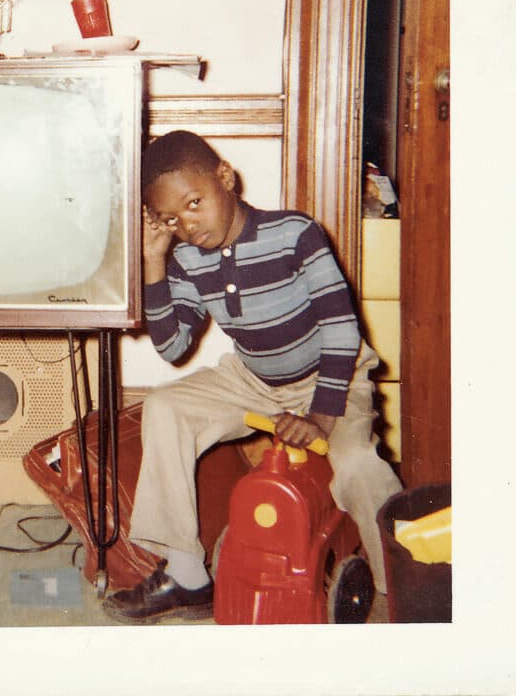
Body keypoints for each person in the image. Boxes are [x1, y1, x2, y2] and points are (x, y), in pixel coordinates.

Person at [103, 130, 402, 624]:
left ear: (226, 178)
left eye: (195, 203)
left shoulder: (294, 234)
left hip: (334, 376)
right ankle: (187, 576)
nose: (189, 225)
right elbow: (172, 348)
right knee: (165, 406)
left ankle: (401, 584)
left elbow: (341, 328)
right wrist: (154, 262)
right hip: (254, 379)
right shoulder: (185, 260)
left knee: (357, 465)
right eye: (173, 219)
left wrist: (323, 417)